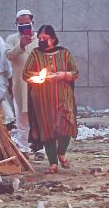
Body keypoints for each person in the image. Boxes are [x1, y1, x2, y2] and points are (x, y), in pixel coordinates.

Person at [23, 25, 78, 174]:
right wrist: (40, 76)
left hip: (62, 96)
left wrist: (63, 75)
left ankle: (61, 153)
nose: (41, 41)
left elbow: (75, 72)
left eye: (44, 39)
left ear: (52, 39)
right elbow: (26, 73)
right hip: (42, 99)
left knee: (67, 123)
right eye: (39, 38)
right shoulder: (35, 54)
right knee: (47, 129)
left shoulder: (64, 53)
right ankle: (53, 163)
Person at [5, 9, 39, 156]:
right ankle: (24, 147)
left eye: (27, 23)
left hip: (39, 85)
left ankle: (41, 148)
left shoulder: (40, 38)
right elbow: (9, 55)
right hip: (20, 84)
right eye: (21, 24)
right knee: (22, 117)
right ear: (16, 24)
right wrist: (21, 46)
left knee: (40, 117)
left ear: (33, 22)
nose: (25, 26)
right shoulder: (12, 39)